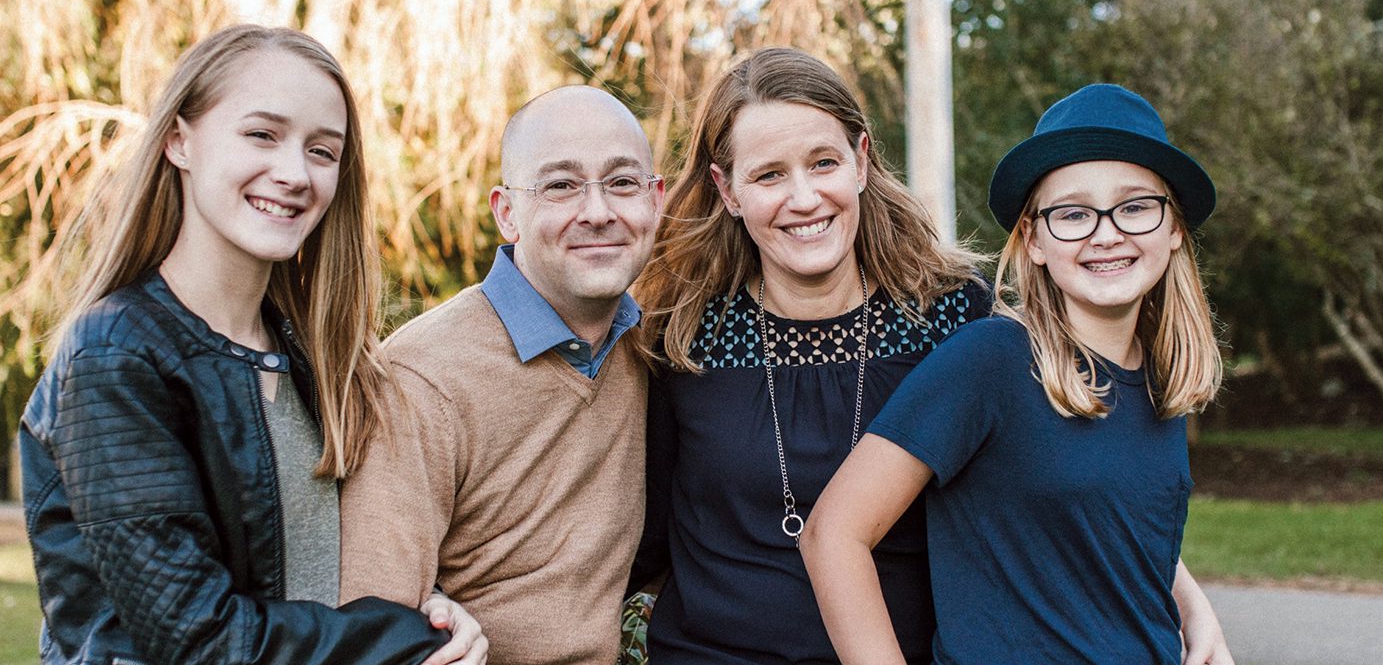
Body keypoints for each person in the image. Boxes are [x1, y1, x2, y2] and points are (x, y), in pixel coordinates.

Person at [19, 25, 484, 664]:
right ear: (180, 141)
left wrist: (430, 609)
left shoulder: (317, 359)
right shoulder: (116, 355)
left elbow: (307, 560)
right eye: (262, 134)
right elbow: (193, 636)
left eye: (323, 151)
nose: (294, 172)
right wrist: (396, 642)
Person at [800, 84, 1234, 664]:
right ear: (1033, 240)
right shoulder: (993, 361)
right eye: (1074, 213)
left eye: (1135, 207)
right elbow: (833, 535)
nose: (1107, 233)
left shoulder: (1159, 380)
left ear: (1174, 228)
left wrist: (1195, 608)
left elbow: (1107, 534)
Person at [627, 47, 989, 663]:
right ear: (728, 190)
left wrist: (1183, 598)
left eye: (823, 162)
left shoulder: (951, 319)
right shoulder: (682, 335)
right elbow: (638, 536)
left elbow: (1039, 495)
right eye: (768, 175)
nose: (803, 198)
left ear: (862, 161)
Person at [338, 85, 662, 664]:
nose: (597, 211)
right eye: (560, 186)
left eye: (622, 182)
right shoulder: (422, 377)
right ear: (507, 212)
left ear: (655, 200)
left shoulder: (657, 346)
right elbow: (370, 616)